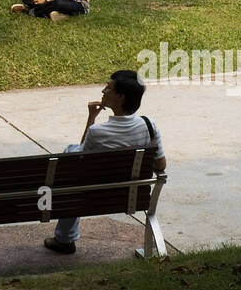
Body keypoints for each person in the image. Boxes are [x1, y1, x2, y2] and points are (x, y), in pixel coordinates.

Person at [44, 69, 166, 254]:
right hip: (130, 198)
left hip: (92, 195)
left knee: (71, 160)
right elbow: (160, 166)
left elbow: (80, 160)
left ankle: (65, 239)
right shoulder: (149, 125)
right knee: (73, 156)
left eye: (108, 88)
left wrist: (91, 118)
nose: (103, 91)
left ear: (121, 97)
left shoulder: (98, 132)